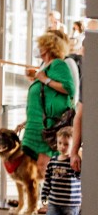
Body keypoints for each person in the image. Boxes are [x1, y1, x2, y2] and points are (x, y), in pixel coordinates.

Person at [25, 32, 77, 174]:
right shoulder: (46, 65)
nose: (38, 47)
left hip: (48, 127)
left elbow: (69, 88)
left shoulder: (58, 64)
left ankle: (47, 195)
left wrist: (45, 79)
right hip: (37, 125)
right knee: (35, 168)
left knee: (43, 168)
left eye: (41, 45)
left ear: (48, 48)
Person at [43, 126, 82, 215]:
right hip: (54, 201)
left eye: (66, 144)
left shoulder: (75, 161)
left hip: (72, 203)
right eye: (60, 143)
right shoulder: (53, 161)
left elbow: (80, 177)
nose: (63, 147)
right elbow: (47, 180)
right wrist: (44, 195)